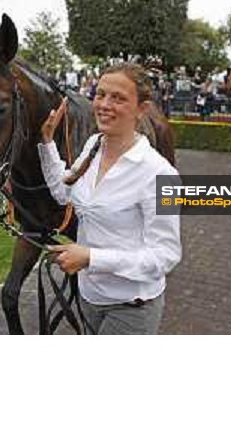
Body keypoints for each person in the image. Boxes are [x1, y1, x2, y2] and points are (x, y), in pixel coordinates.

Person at [37, 63, 181, 335]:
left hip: (132, 307)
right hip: (89, 297)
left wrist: (91, 258)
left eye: (118, 98)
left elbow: (165, 256)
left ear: (141, 109)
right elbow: (62, 192)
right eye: (100, 94)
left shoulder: (163, 175)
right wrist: (47, 143)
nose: (104, 104)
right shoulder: (93, 145)